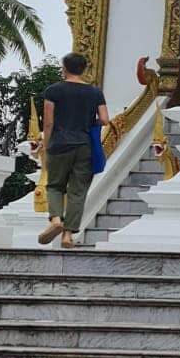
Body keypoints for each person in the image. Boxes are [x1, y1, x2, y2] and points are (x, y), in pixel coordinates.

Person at [37, 52, 111, 249]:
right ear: (84, 69)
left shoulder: (54, 91)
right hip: (84, 145)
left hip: (60, 143)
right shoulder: (95, 92)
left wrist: (46, 143)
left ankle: (55, 221)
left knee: (55, 186)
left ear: (64, 68)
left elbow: (49, 122)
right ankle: (68, 236)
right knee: (77, 192)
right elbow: (104, 119)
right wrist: (88, 122)